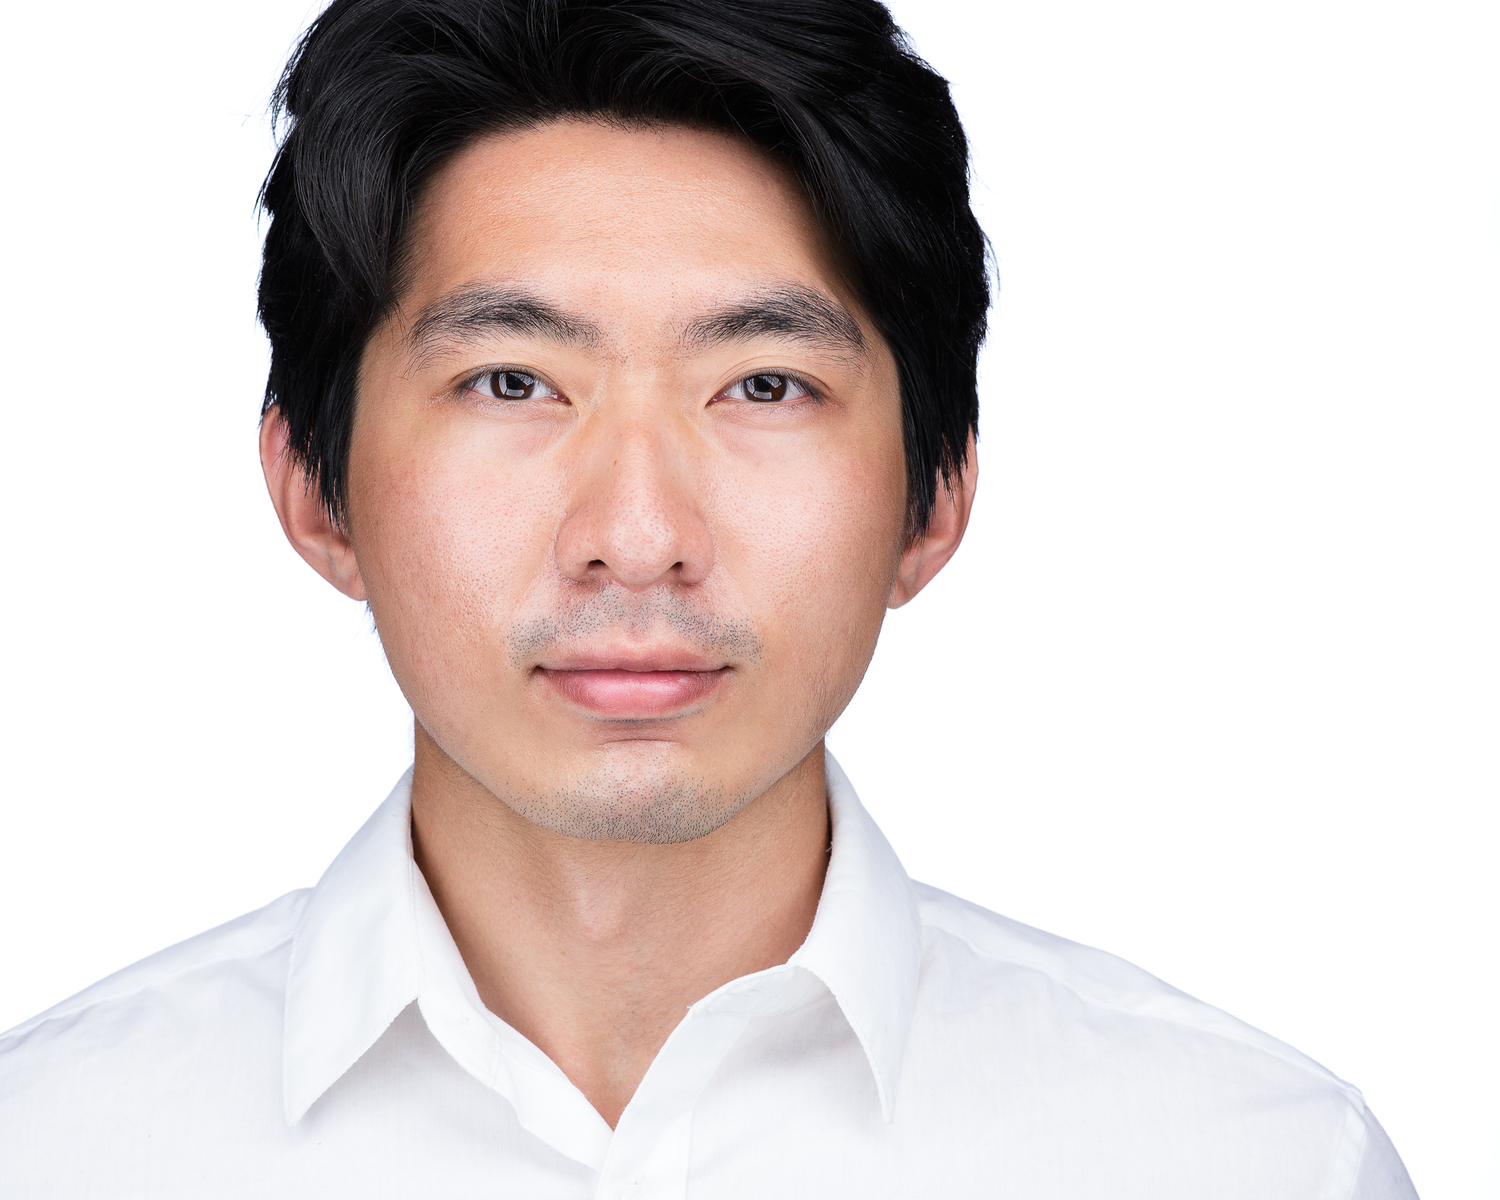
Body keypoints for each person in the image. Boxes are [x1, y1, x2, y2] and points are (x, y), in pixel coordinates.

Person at [0, 0, 1418, 1195]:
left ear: (933, 498)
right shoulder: (57, 1149)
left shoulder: (1248, 1160)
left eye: (764, 385)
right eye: (512, 381)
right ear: (317, 489)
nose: (636, 539)